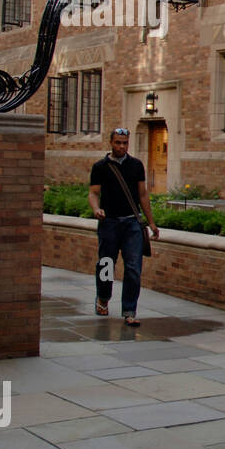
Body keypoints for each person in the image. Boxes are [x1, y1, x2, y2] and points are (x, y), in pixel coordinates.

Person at [89, 127, 160, 327]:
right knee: (106, 265)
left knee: (133, 268)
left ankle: (129, 310)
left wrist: (151, 222)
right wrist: (96, 209)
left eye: (125, 143)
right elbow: (94, 193)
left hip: (131, 224)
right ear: (110, 143)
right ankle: (103, 297)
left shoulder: (136, 165)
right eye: (118, 142)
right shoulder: (100, 167)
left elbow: (143, 195)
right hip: (109, 223)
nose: (121, 146)